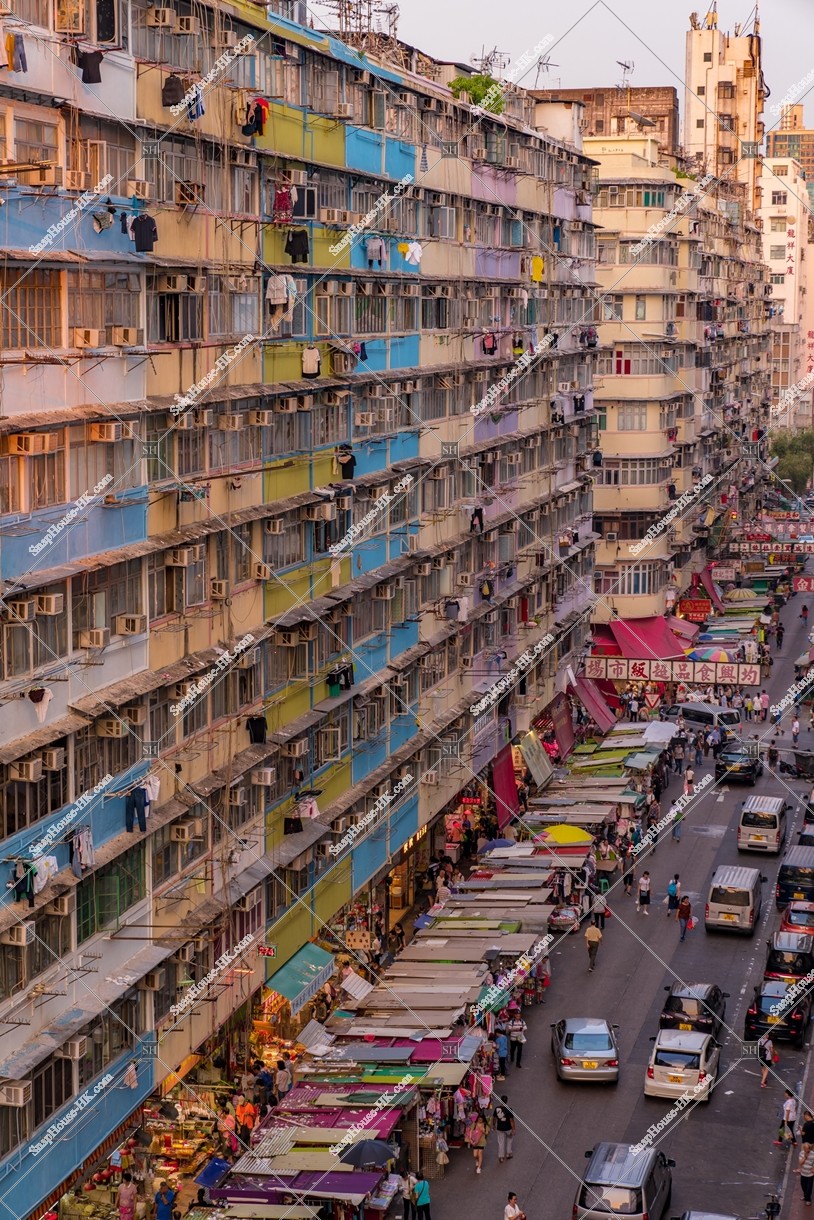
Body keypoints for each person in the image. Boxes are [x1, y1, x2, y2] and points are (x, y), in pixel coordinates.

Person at [493, 1094, 515, 1162]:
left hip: (499, 1128)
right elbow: (511, 1120)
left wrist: (494, 1125)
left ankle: (501, 1157)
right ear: (507, 1101)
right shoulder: (509, 1109)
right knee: (509, 1140)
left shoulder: (497, 1109)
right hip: (508, 1128)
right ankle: (508, 1153)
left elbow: (494, 1118)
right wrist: (513, 1129)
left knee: (501, 1142)